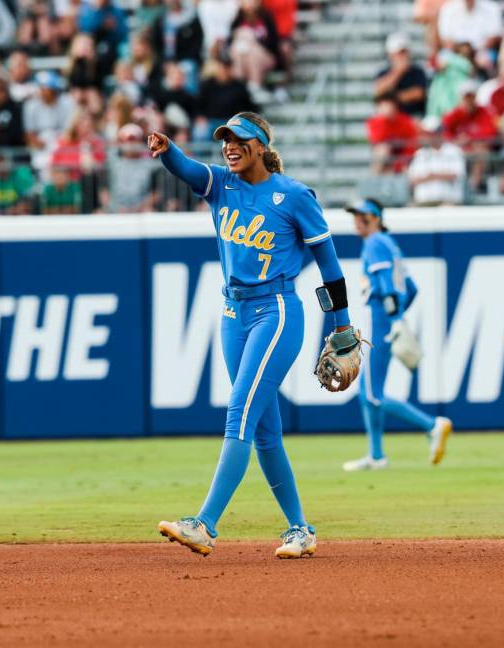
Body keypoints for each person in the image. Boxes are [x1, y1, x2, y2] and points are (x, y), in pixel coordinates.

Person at [148, 111, 364, 559]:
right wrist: (168, 151)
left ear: (261, 147)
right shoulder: (219, 185)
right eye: (225, 139)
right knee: (265, 431)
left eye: (240, 140)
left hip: (277, 311)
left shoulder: (293, 195)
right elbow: (187, 168)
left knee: (240, 412)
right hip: (234, 313)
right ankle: (300, 529)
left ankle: (204, 524)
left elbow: (330, 265)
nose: (230, 146)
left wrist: (342, 324)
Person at [342, 198, 453, 472]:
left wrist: (393, 320)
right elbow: (411, 288)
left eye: (362, 215)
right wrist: (401, 318)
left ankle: (432, 425)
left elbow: (384, 286)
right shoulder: (389, 243)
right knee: (367, 392)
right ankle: (376, 456)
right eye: (354, 215)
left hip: (383, 321)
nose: (357, 220)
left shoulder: (375, 243)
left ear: (375, 218)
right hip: (389, 320)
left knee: (373, 395)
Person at [407, 117, 466, 206]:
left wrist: (431, 176)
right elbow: (413, 179)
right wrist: (438, 176)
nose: (431, 136)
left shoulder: (454, 151)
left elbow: (456, 175)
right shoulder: (420, 154)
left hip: (449, 201)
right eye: (428, 134)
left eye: (433, 133)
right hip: (423, 202)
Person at [374, 33, 429, 117]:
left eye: (403, 52)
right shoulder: (383, 72)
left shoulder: (417, 72)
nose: (401, 56)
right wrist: (398, 72)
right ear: (390, 55)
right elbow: (379, 91)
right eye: (398, 53)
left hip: (414, 117)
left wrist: (392, 98)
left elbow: (419, 93)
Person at [366, 93, 420, 174]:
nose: (387, 108)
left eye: (389, 105)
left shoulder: (405, 121)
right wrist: (383, 120)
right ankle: (375, 179)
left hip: (402, 159)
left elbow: (410, 145)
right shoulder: (374, 122)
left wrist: (400, 164)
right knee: (382, 150)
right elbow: (378, 141)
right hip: (385, 159)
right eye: (383, 106)